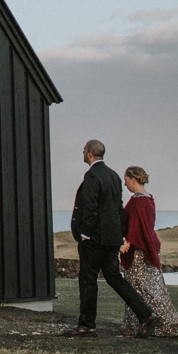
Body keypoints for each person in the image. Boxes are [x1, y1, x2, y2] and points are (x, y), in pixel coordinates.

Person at [67, 140, 159, 338]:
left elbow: (90, 207)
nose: (82, 152)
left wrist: (85, 234)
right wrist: (120, 237)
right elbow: (117, 209)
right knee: (114, 278)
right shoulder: (114, 176)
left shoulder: (92, 175)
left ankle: (87, 325)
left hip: (93, 240)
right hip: (111, 239)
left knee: (88, 279)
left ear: (90, 154)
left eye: (84, 150)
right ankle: (146, 314)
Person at [118, 166, 178, 339]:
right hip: (148, 247)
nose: (125, 185)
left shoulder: (138, 201)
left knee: (142, 289)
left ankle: (169, 324)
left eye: (126, 181)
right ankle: (135, 324)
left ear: (133, 180)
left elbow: (135, 227)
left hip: (139, 251)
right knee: (147, 287)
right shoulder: (148, 199)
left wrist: (127, 244)